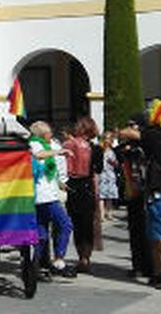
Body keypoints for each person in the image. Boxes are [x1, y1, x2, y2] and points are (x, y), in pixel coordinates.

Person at [119, 104, 161, 291]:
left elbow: (126, 133)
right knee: (154, 235)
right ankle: (157, 273)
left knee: (160, 235)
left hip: (160, 194)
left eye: (151, 111)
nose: (148, 113)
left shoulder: (154, 136)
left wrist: (133, 128)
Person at [28, 121, 75, 279]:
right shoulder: (35, 144)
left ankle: (36, 265)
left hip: (47, 195)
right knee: (65, 224)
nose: (51, 135)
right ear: (41, 134)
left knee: (42, 234)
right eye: (48, 132)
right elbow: (38, 155)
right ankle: (59, 261)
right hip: (44, 197)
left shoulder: (47, 146)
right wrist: (59, 151)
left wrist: (60, 183)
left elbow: (49, 168)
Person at [62, 116, 101, 272]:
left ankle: (80, 257)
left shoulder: (68, 144)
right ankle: (86, 258)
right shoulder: (96, 148)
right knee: (87, 224)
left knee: (77, 224)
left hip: (72, 186)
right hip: (88, 186)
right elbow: (98, 170)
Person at [97, 130, 119, 221]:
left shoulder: (112, 151)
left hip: (110, 175)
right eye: (105, 139)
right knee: (101, 196)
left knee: (109, 196)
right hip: (102, 175)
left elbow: (116, 164)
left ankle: (109, 213)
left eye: (109, 139)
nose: (106, 141)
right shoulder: (100, 150)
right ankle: (101, 215)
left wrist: (114, 162)